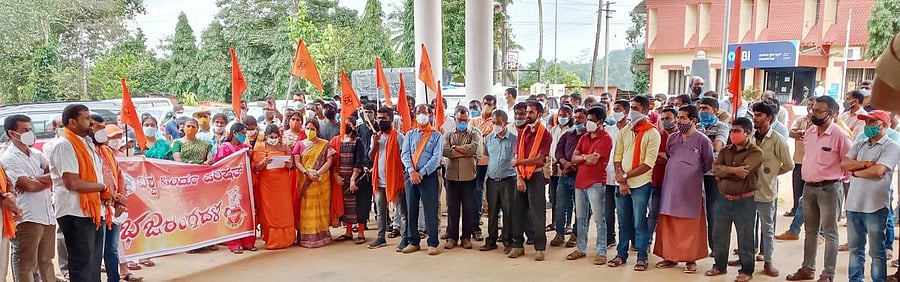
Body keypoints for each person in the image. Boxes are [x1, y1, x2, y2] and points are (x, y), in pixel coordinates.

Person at [786, 96, 853, 282]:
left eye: (818, 111)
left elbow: (848, 163)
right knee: (810, 231)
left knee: (830, 232)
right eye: (813, 109)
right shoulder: (809, 132)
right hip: (809, 188)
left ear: (831, 114)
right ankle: (807, 269)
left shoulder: (840, 135)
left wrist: (837, 182)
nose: (813, 114)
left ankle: (828, 274)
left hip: (830, 189)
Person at [47, 104, 109, 282]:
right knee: (82, 264)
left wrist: (105, 193)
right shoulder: (64, 145)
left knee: (93, 263)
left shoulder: (88, 143)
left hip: (92, 210)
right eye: (86, 118)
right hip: (74, 212)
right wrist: (103, 188)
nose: (91, 122)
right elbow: (72, 183)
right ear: (72, 122)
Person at [840, 110, 900, 282]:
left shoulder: (891, 146)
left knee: (876, 252)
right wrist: (866, 165)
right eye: (866, 122)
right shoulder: (860, 144)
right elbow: (844, 163)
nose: (868, 126)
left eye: (872, 122)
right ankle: (855, 279)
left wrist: (856, 172)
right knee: (855, 249)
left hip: (875, 206)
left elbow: (879, 170)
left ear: (884, 125)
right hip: (853, 205)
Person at [653, 105, 713, 273]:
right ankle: (669, 256)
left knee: (690, 225)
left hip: (691, 191)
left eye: (683, 118)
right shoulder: (672, 138)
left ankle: (690, 259)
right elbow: (670, 156)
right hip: (671, 188)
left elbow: (708, 163)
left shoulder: (703, 140)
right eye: (678, 117)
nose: (678, 121)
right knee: (669, 222)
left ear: (693, 120)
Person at [705, 117, 763, 282]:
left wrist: (725, 172)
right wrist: (732, 170)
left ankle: (746, 270)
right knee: (719, 234)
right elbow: (715, 169)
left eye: (737, 131)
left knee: (745, 236)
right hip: (723, 199)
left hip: (745, 201)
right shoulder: (726, 150)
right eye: (731, 130)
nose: (732, 134)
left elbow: (744, 173)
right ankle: (719, 266)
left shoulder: (755, 152)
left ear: (747, 133)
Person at [607, 96, 660, 271]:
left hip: (641, 184)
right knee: (623, 221)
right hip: (623, 183)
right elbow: (617, 157)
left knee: (639, 222)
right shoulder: (625, 131)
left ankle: (642, 257)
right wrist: (621, 178)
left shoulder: (652, 133)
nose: (632, 111)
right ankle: (621, 254)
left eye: (636, 108)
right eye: (631, 107)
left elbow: (648, 163)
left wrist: (626, 176)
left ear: (645, 111)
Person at [2, 115, 56, 282]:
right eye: (24, 130)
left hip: (47, 215)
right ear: (12, 133)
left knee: (46, 261)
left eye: (30, 129)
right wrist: (42, 179)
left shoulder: (37, 154)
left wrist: (35, 178)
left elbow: (56, 176)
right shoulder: (8, 158)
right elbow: (28, 186)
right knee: (26, 264)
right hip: (26, 216)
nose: (30, 133)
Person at [745, 101, 795, 277]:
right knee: (747, 226)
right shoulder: (749, 136)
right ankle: (746, 258)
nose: (755, 118)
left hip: (766, 191)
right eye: (754, 114)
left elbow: (789, 165)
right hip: (747, 190)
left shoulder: (777, 140)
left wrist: (772, 174)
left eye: (759, 115)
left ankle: (768, 261)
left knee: (767, 228)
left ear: (770, 118)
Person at [566, 106, 613, 265]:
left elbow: (593, 160)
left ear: (600, 122)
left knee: (600, 219)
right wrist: (586, 157)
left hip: (596, 183)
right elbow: (573, 158)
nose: (588, 123)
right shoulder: (584, 137)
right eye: (588, 120)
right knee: (580, 218)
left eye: (592, 120)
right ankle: (581, 248)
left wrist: (582, 157)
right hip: (580, 182)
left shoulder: (605, 139)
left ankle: (601, 251)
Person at [506, 101, 552, 261]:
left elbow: (539, 160)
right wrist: (519, 176)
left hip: (537, 176)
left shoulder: (545, 134)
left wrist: (519, 163)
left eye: (531, 112)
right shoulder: (523, 132)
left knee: (537, 212)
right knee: (517, 211)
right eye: (526, 112)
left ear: (539, 114)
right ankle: (517, 245)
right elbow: (517, 155)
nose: (527, 115)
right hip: (521, 176)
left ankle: (540, 248)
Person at [398, 104, 444, 255]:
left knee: (430, 209)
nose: (421, 115)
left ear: (430, 115)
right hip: (410, 176)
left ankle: (432, 243)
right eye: (419, 112)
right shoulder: (410, 134)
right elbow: (405, 154)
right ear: (415, 115)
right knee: (411, 208)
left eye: (425, 112)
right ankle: (413, 241)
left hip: (428, 176)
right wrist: (412, 171)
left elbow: (436, 158)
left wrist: (422, 173)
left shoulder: (436, 135)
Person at [248, 124, 296, 250]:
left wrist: (289, 164)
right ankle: (272, 239)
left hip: (283, 183)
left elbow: (292, 166)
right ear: (266, 136)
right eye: (271, 136)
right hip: (267, 184)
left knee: (284, 210)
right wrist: (262, 163)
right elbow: (254, 167)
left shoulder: (285, 148)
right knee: (269, 211)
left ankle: (287, 239)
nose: (273, 139)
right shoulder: (259, 148)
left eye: (275, 137)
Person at [441, 108, 482, 250]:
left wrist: (455, 149)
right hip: (451, 176)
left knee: (469, 208)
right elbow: (445, 151)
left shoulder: (475, 133)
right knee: (452, 208)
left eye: (465, 120)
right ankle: (452, 237)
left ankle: (466, 237)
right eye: (460, 120)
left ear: (468, 119)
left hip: (469, 176)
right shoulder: (448, 134)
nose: (462, 122)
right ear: (455, 119)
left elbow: (474, 149)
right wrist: (464, 152)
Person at [293, 120, 336, 249]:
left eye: (312, 128)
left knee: (321, 206)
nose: (309, 131)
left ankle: (322, 235)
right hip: (305, 178)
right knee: (306, 206)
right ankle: (306, 236)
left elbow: (329, 161)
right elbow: (297, 162)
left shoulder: (325, 144)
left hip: (321, 179)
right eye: (307, 128)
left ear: (317, 129)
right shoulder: (299, 144)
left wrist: (318, 173)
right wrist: (307, 172)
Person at [368, 107, 406, 250]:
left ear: (390, 119)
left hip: (395, 180)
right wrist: (375, 145)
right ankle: (380, 237)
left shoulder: (399, 137)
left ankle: (404, 238)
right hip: (379, 180)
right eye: (378, 118)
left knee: (401, 211)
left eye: (383, 118)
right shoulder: (376, 136)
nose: (380, 121)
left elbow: (404, 157)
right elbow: (371, 157)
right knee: (380, 210)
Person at [214, 123, 256, 254]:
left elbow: (251, 164)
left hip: (245, 185)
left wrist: (249, 156)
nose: (245, 135)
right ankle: (234, 243)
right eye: (243, 133)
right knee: (233, 214)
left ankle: (248, 242)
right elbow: (219, 166)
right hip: (230, 187)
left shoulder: (246, 148)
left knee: (247, 213)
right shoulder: (224, 148)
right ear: (234, 132)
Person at [695, 97, 730, 253]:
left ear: (715, 110)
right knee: (696, 211)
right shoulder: (696, 126)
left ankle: (715, 247)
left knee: (713, 212)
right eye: (701, 108)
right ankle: (697, 246)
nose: (702, 111)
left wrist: (700, 144)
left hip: (713, 175)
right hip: (695, 174)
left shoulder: (722, 127)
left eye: (706, 108)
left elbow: (717, 146)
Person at [481, 110, 517, 252]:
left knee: (508, 212)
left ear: (506, 123)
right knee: (492, 212)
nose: (496, 126)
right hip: (491, 181)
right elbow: (485, 157)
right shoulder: (489, 139)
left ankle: (508, 241)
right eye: (494, 123)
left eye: (499, 123)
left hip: (508, 180)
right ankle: (491, 240)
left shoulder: (514, 139)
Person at [330, 116, 368, 245]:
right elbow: (332, 160)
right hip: (341, 179)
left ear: (353, 126)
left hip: (356, 180)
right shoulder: (336, 141)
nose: (345, 126)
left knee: (359, 206)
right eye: (343, 123)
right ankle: (348, 232)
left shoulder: (358, 141)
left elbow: (359, 160)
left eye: (348, 124)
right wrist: (335, 175)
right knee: (346, 207)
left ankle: (361, 232)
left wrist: (353, 179)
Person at [551, 107, 584, 248]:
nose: (577, 120)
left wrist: (573, 165)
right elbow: (559, 152)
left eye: (581, 118)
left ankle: (575, 234)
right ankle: (559, 233)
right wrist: (564, 163)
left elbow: (588, 154)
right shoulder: (567, 135)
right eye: (576, 117)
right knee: (560, 206)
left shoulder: (588, 136)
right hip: (564, 175)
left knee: (580, 209)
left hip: (581, 177)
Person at [647, 107, 678, 245]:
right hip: (657, 182)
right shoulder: (657, 136)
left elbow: (679, 159)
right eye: (663, 118)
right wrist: (668, 158)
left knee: (672, 216)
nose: (665, 121)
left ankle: (669, 244)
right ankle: (646, 243)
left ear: (676, 119)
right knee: (653, 213)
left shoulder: (680, 137)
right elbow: (652, 158)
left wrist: (667, 157)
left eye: (668, 118)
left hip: (675, 185)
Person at [469, 95, 497, 241]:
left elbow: (491, 139)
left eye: (489, 104)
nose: (486, 106)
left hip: (493, 163)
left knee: (493, 195)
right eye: (485, 103)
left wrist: (480, 136)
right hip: (476, 162)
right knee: (477, 193)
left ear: (494, 106)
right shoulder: (473, 121)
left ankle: (495, 225)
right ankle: (475, 227)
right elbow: (472, 138)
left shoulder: (496, 121)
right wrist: (481, 136)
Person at [548, 105, 574, 244]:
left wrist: (560, 161)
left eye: (566, 114)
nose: (562, 116)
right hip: (553, 169)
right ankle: (556, 224)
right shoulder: (554, 129)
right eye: (560, 114)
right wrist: (551, 162)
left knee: (567, 200)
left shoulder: (572, 131)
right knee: (555, 198)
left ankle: (568, 224)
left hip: (566, 169)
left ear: (571, 115)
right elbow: (552, 148)